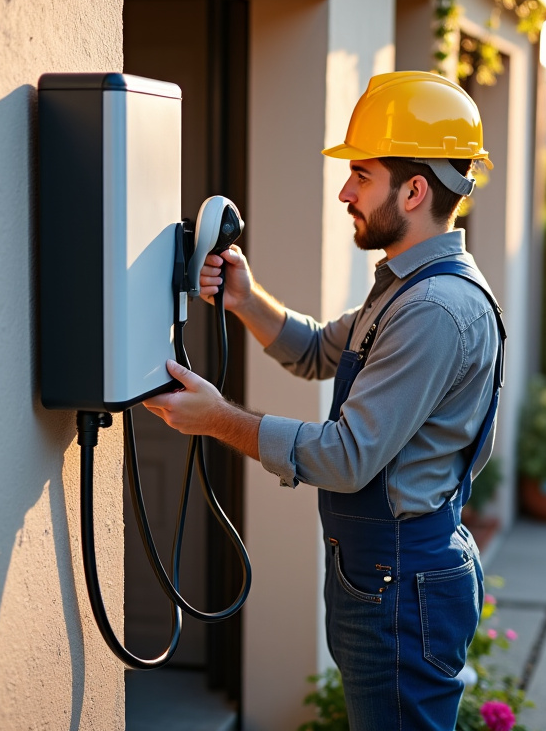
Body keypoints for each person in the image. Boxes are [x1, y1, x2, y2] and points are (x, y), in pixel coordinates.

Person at [142, 70, 506, 731]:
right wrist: (246, 300)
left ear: (415, 190)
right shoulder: (405, 286)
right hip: (382, 573)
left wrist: (218, 419)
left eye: (361, 175)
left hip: (400, 582)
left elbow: (346, 458)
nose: (345, 192)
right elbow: (316, 350)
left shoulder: (433, 308)